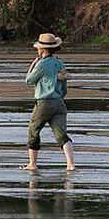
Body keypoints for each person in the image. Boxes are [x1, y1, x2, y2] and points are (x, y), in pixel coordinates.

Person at [23, 32, 74, 173]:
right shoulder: (60, 63)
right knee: (61, 135)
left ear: (43, 49)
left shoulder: (42, 64)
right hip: (59, 103)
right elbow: (64, 89)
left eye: (38, 48)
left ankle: (32, 163)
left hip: (44, 102)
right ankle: (70, 165)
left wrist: (33, 64)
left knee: (33, 130)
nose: (37, 50)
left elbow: (29, 81)